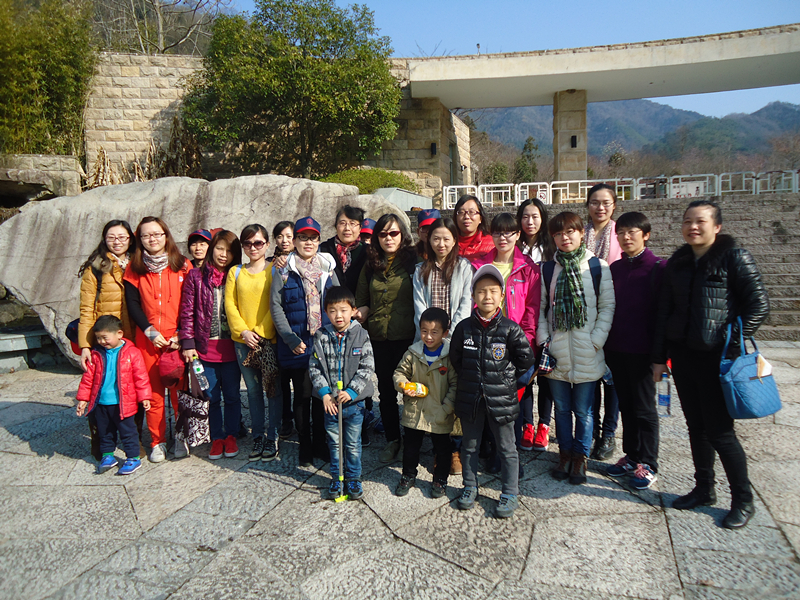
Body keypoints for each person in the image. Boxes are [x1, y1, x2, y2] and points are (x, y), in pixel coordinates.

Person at [653, 200, 769, 529]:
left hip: (718, 360)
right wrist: (659, 358)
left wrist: (731, 340)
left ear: (717, 226)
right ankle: (704, 488)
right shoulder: (678, 263)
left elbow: (759, 305)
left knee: (721, 432)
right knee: (696, 428)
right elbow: (664, 312)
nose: (693, 227)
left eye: (700, 221)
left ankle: (743, 500)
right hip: (684, 357)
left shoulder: (734, 257)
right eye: (687, 221)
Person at [536, 211, 615, 485]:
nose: (564, 238)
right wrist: (544, 340)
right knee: (561, 409)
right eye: (558, 233)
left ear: (581, 233)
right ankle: (565, 454)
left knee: (584, 411)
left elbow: (607, 307)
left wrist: (596, 340)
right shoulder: (548, 269)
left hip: (588, 351)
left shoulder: (597, 267)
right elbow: (541, 309)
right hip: (557, 352)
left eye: (570, 231)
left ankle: (580, 457)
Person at [451, 264, 535, 518]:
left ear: (502, 295)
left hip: (502, 400)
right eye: (481, 291)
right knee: (469, 446)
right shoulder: (464, 328)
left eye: (493, 291)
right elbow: (456, 359)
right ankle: (469, 486)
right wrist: (471, 379)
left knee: (507, 448)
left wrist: (507, 383)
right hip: (471, 398)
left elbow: (526, 360)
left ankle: (509, 492)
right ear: (473, 295)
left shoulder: (510, 329)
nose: (487, 296)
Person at [604, 212, 665, 489]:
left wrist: (660, 357)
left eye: (632, 232)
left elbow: (663, 316)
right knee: (626, 405)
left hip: (644, 352)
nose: (626, 237)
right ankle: (631, 456)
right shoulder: (615, 269)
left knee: (644, 408)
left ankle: (649, 462)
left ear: (646, 234)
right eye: (621, 232)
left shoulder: (657, 269)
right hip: (617, 349)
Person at [271, 217, 339, 467]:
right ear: (295, 241)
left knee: (322, 395)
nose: (308, 243)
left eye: (313, 238)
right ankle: (305, 444)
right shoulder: (283, 270)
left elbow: (338, 302)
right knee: (302, 395)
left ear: (319, 241)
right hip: (297, 343)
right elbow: (276, 306)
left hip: (323, 343)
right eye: (303, 238)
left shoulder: (327, 267)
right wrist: (290, 338)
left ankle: (320, 442)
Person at [123, 216, 192, 463]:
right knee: (152, 393)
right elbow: (132, 304)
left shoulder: (183, 265)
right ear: (139, 239)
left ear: (166, 235)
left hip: (176, 340)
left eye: (156, 234)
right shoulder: (134, 267)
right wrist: (150, 332)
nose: (152, 239)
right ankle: (157, 441)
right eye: (146, 235)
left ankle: (181, 437)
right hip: (148, 340)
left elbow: (190, 302)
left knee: (179, 391)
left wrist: (181, 334)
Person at [473, 213, 541, 462]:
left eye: (509, 232)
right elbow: (474, 305)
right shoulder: (479, 266)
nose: (503, 237)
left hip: (515, 345)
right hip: (485, 343)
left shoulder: (529, 268)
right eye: (498, 232)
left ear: (518, 234)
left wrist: (523, 345)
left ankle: (509, 457)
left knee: (512, 403)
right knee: (487, 398)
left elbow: (532, 310)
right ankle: (490, 450)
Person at [77, 219, 142, 461]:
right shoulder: (96, 267)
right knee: (100, 387)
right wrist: (85, 345)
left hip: (133, 337)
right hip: (105, 340)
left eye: (122, 237)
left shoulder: (138, 263)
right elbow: (86, 309)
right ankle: (100, 441)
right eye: (111, 237)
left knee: (132, 388)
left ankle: (133, 440)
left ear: (130, 239)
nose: (117, 242)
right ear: (104, 239)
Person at [355, 213, 417, 464]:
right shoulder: (371, 264)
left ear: (402, 234)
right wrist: (361, 311)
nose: (388, 238)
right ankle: (393, 439)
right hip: (379, 337)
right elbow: (362, 299)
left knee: (410, 390)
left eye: (393, 233)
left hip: (408, 337)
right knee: (387, 391)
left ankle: (413, 438)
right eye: (383, 234)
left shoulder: (413, 260)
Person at [180, 230, 243, 460]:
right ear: (212, 249)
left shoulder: (237, 275)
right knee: (211, 396)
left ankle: (232, 434)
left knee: (233, 395)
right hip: (205, 350)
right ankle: (216, 436)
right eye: (219, 249)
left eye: (229, 251)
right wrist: (188, 343)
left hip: (233, 348)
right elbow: (187, 312)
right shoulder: (195, 276)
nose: (223, 255)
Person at [309, 286, 374, 501]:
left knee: (353, 444)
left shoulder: (361, 335)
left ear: (353, 311)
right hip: (331, 404)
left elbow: (367, 367)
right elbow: (314, 368)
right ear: (326, 312)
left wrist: (352, 391)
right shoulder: (321, 336)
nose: (338, 315)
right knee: (334, 443)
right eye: (333, 310)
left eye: (344, 310)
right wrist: (325, 394)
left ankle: (354, 477)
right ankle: (337, 477)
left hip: (354, 404)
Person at [225, 224, 282, 462]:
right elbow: (230, 304)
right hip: (243, 342)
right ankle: (258, 435)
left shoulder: (274, 269)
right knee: (253, 390)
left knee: (273, 389)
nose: (253, 247)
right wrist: (244, 332)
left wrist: (258, 332)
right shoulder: (235, 272)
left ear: (267, 244)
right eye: (248, 243)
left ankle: (273, 435)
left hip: (269, 340)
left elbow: (275, 303)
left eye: (258, 243)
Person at [393, 307, 458, 498]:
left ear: (445, 333)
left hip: (440, 411)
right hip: (415, 410)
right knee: (411, 446)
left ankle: (440, 479)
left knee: (443, 448)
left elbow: (455, 384)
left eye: (434, 332)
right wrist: (403, 385)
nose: (428, 337)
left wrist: (447, 408)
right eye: (424, 331)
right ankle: (408, 475)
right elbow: (399, 373)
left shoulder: (449, 356)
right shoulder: (413, 353)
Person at [76, 315, 152, 475]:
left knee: (128, 432)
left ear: (119, 334)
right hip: (101, 403)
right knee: (104, 432)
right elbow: (88, 378)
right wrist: (83, 399)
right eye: (98, 338)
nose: (102, 341)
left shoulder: (132, 353)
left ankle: (133, 458)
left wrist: (144, 396)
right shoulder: (96, 354)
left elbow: (141, 377)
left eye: (105, 337)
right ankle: (108, 456)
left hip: (124, 403)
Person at [585, 184, 623, 461]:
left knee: (612, 380)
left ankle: (608, 433)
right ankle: (593, 430)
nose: (600, 207)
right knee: (591, 376)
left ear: (614, 206)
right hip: (586, 316)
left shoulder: (621, 233)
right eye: (595, 202)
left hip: (614, 314)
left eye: (606, 203)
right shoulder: (580, 232)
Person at [516, 199, 556, 452]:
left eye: (535, 216)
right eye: (525, 217)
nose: (530, 222)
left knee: (547, 377)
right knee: (526, 376)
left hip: (548, 320)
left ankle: (544, 425)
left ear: (543, 219)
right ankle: (527, 425)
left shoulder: (551, 247)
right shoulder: (515, 247)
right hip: (525, 320)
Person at [269, 220, 297, 439]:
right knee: (281, 379)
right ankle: (286, 419)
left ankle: (302, 418)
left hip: (297, 326)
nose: (284, 240)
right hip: (275, 327)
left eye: (289, 236)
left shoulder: (303, 260)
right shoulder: (270, 264)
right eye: (280, 236)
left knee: (301, 379)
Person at [319, 206, 368, 294]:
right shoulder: (323, 250)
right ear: (336, 226)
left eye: (352, 223)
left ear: (360, 228)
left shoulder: (368, 252)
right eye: (342, 223)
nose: (347, 228)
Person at [453, 195, 495, 262]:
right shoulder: (448, 243)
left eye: (471, 212)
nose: (466, 217)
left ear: (480, 218)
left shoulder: (492, 244)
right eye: (461, 212)